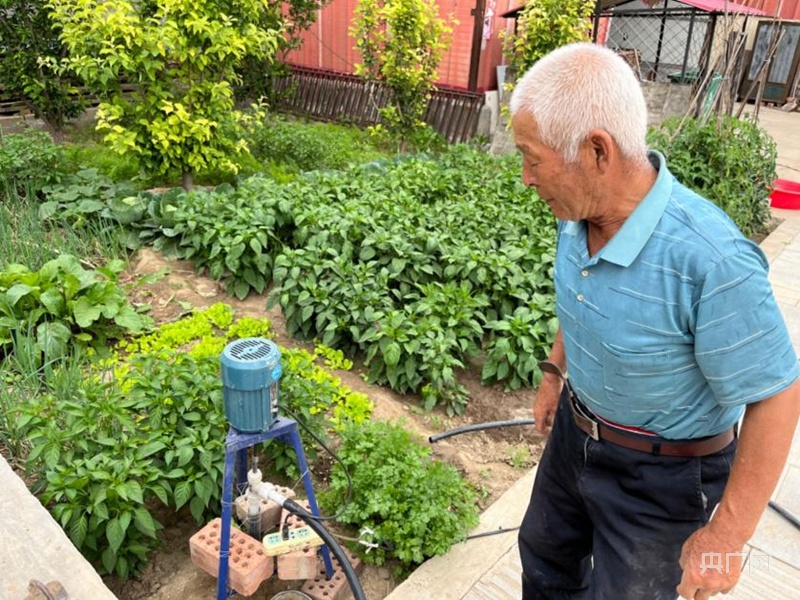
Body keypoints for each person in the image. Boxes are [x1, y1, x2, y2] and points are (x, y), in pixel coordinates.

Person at [509, 42, 800, 600]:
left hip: (665, 480)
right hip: (576, 436)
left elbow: (777, 397)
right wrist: (553, 371)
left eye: (532, 157)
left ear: (597, 151)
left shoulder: (710, 261)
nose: (525, 177)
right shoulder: (578, 213)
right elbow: (587, 290)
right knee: (545, 556)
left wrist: (725, 539)